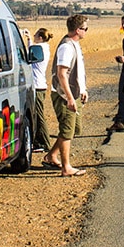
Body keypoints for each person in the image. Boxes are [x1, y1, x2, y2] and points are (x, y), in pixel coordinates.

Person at [42, 15, 88, 176]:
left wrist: (83, 89)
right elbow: (62, 74)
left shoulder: (74, 44)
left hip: (75, 93)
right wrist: (69, 97)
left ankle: (51, 155)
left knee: (74, 129)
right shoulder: (67, 47)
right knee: (67, 129)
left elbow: (77, 71)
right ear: (78, 30)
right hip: (64, 95)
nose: (86, 32)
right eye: (85, 29)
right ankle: (66, 167)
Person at [23, 27, 54, 153]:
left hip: (37, 85)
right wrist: (29, 39)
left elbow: (29, 56)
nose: (34, 37)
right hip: (40, 84)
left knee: (39, 115)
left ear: (40, 37)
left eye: (35, 35)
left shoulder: (40, 48)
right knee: (37, 114)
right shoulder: (44, 48)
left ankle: (45, 143)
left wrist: (29, 41)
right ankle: (39, 141)